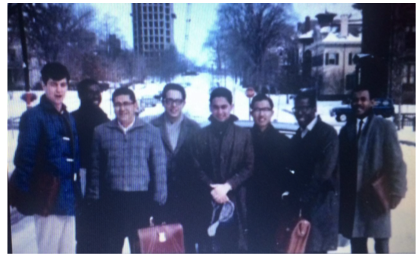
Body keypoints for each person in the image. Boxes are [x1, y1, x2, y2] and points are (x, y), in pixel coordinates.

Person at [10, 62, 81, 253]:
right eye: (53, 84)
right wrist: (28, 198)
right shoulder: (34, 117)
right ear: (43, 85)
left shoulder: (67, 116)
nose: (59, 90)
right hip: (47, 199)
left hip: (68, 199)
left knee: (67, 250)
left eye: (63, 84)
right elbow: (24, 159)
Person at [85, 87, 167, 253]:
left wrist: (159, 200)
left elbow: (159, 169)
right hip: (112, 202)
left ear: (135, 105)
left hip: (140, 202)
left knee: (140, 248)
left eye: (126, 104)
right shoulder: (101, 132)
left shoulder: (151, 132)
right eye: (117, 104)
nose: (122, 108)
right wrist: (94, 198)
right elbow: (95, 170)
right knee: (110, 248)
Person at [338, 85, 407, 253]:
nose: (359, 103)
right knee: (358, 246)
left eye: (363, 99)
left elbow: (396, 163)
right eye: (355, 100)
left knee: (381, 246)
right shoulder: (346, 129)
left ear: (372, 102)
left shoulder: (384, 127)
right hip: (354, 201)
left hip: (377, 197)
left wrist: (397, 193)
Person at [190, 87, 254, 252]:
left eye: (224, 107)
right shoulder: (200, 135)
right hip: (207, 200)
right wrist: (213, 188)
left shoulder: (243, 135)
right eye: (216, 107)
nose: (220, 111)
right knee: (209, 245)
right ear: (210, 107)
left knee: (234, 245)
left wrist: (227, 186)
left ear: (231, 107)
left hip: (235, 201)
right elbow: (196, 167)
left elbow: (249, 166)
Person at [151, 83, 201, 252]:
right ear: (163, 102)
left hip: (187, 198)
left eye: (177, 101)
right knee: (162, 245)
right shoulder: (152, 127)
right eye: (169, 100)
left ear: (183, 103)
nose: (173, 105)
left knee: (187, 243)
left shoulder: (194, 129)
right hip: (160, 197)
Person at [289, 90, 339, 253]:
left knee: (316, 247)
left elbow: (324, 171)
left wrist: (304, 195)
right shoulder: (299, 134)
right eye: (297, 109)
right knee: (301, 245)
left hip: (321, 202)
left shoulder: (327, 133)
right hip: (304, 201)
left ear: (314, 109)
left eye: (305, 108)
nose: (300, 113)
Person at [247, 93, 291, 252]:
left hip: (273, 205)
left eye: (265, 109)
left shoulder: (283, 141)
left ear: (272, 112)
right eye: (257, 109)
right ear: (251, 112)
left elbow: (290, 174)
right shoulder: (244, 139)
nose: (261, 114)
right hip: (248, 204)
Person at [71, 79, 109, 253]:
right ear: (80, 95)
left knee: (104, 234)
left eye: (97, 91)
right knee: (86, 232)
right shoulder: (72, 119)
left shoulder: (104, 117)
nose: (95, 95)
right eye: (90, 92)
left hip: (104, 181)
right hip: (83, 180)